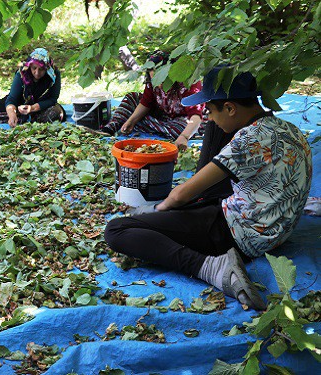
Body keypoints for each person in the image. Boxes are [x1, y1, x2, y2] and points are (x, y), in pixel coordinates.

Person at [104, 67, 312, 310]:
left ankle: (211, 267)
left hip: (239, 233)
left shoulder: (248, 141)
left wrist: (158, 209)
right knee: (215, 135)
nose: (208, 118)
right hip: (275, 227)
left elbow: (180, 195)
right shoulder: (288, 129)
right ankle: (190, 214)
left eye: (211, 110)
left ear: (231, 108)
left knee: (117, 230)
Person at [100, 51, 204, 150]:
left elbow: (195, 115)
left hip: (183, 121)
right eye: (155, 79)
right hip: (162, 116)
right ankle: (111, 128)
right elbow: (146, 102)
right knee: (132, 98)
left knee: (179, 129)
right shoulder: (152, 83)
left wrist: (185, 137)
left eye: (162, 79)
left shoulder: (188, 83)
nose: (159, 84)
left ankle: (149, 127)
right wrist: (131, 121)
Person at [0, 48, 65, 127]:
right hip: (20, 103)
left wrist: (32, 108)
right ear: (30, 66)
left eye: (41, 69)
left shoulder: (54, 74)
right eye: (34, 68)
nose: (37, 73)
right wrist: (12, 115)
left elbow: (53, 99)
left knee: (56, 113)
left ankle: (29, 118)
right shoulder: (22, 73)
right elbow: (12, 98)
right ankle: (21, 118)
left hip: (41, 105)